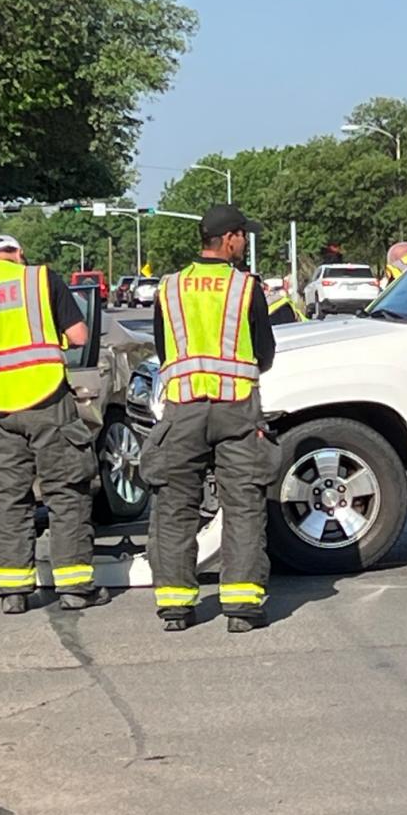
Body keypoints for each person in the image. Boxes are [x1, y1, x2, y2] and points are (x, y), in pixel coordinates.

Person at [143, 204, 279, 633]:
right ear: (230, 238)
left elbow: (166, 351)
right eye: (243, 236)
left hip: (182, 409)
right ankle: (241, 608)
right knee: (242, 504)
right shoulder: (244, 287)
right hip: (236, 408)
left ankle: (176, 607)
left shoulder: (169, 288)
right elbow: (265, 353)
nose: (245, 244)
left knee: (174, 505)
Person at [0, 235, 105, 614]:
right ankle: (73, 588)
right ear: (19, 254)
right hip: (47, 398)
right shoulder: (39, 279)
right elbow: (79, 335)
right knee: (66, 490)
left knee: (7, 495)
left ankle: (13, 592)